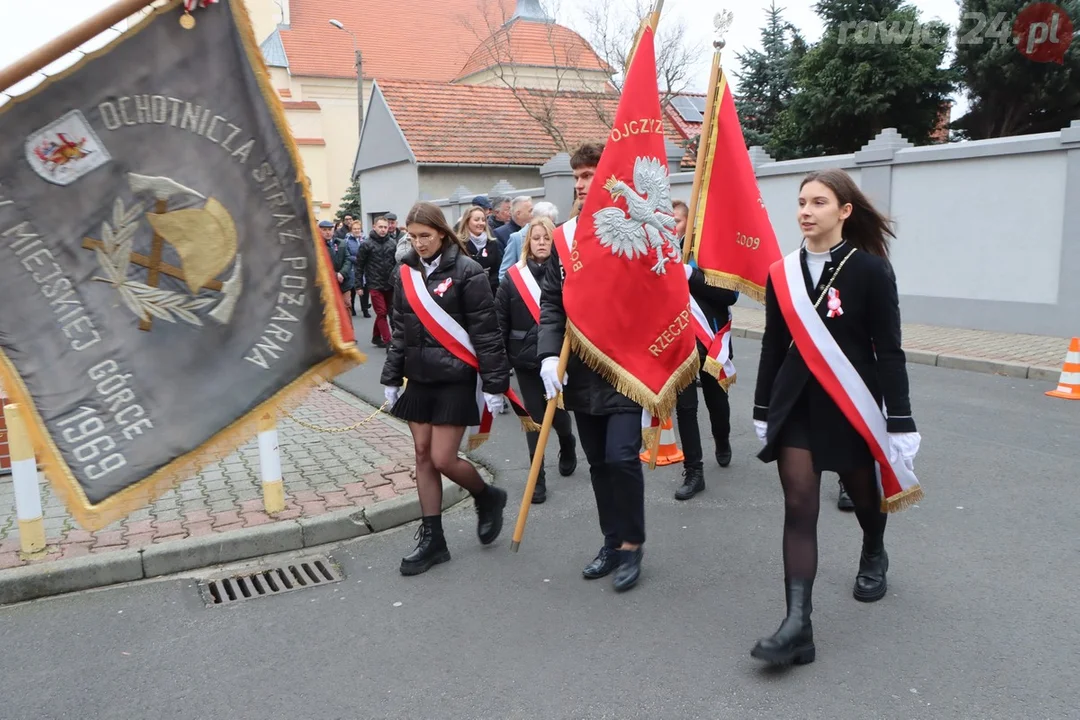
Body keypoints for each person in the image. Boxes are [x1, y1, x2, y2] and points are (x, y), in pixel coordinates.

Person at [750, 168, 921, 666]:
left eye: (818, 202)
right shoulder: (781, 272)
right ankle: (797, 625)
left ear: (844, 211)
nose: (805, 210)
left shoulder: (869, 270)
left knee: (865, 495)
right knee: (799, 505)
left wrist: (901, 420)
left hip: (850, 403)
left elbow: (889, 351)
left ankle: (873, 547)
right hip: (797, 406)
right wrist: (763, 408)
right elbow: (774, 346)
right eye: (802, 202)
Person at [536, 142, 646, 593]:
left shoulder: (633, 233)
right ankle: (611, 540)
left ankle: (634, 544)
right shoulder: (564, 238)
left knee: (622, 458)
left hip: (624, 367)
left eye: (590, 175)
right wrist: (546, 354)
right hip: (580, 369)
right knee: (599, 462)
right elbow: (551, 304)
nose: (582, 184)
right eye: (578, 177)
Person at [381, 202, 512, 576]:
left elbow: (487, 334)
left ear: (441, 232)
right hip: (419, 378)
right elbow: (400, 331)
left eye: (425, 236)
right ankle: (433, 539)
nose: (419, 243)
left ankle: (487, 497)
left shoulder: (468, 272)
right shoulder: (404, 271)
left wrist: (494, 385)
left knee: (442, 458)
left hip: (455, 378)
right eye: (413, 236)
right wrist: (392, 378)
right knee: (422, 455)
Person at [495, 216, 578, 505]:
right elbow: (500, 324)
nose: (541, 243)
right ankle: (537, 477)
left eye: (546, 238)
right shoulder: (512, 279)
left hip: (559, 361)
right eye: (536, 238)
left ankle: (567, 442)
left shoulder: (567, 275)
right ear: (527, 243)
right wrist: (500, 367)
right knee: (534, 418)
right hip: (526, 361)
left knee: (558, 413)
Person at [669, 199, 737, 500]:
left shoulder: (708, 253)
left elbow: (729, 293)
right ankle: (694, 471)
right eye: (667, 221)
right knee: (685, 408)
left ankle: (722, 439)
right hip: (679, 342)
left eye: (677, 221)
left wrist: (690, 275)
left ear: (688, 224)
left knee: (716, 402)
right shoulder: (660, 256)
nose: (672, 227)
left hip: (711, 338)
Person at [355, 216, 399, 348]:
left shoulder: (392, 243)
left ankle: (376, 337)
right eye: (380, 227)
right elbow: (359, 265)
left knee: (389, 312)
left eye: (385, 227)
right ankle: (387, 341)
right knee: (381, 312)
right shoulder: (366, 244)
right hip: (374, 284)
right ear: (374, 227)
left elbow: (397, 263)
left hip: (390, 284)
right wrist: (358, 285)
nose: (383, 230)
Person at [498, 201, 559, 282]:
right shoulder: (517, 238)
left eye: (551, 223)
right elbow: (504, 274)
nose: (542, 242)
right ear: (533, 218)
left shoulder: (556, 237)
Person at [458, 205, 503, 296]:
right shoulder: (459, 244)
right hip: (467, 293)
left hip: (490, 292)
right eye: (476, 219)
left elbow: (498, 268)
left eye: (483, 220)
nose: (481, 223)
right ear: (467, 221)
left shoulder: (492, 242)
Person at [319, 219, 353, 305]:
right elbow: (320, 266)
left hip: (344, 282)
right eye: (324, 230)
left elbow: (348, 259)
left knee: (346, 305)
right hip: (327, 284)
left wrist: (342, 273)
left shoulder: (341, 243)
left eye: (330, 230)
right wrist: (335, 275)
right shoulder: (317, 247)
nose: (328, 232)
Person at [345, 219, 369, 318]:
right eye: (355, 229)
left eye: (358, 229)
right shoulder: (347, 241)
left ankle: (365, 310)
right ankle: (353, 308)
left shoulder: (365, 239)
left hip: (364, 268)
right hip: (353, 268)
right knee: (353, 290)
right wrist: (358, 259)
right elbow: (347, 255)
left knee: (365, 289)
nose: (357, 230)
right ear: (351, 230)